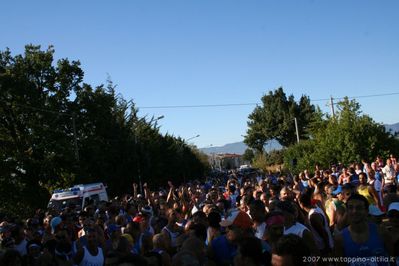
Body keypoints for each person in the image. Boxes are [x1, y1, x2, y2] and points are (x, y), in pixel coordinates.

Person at [334, 194, 390, 265]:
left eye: (359, 208)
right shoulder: (340, 239)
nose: (354, 211)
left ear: (366, 211)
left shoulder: (381, 232)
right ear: (347, 211)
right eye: (350, 208)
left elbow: (392, 260)